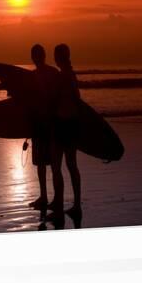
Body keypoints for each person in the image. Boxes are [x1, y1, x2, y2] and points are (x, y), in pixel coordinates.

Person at [27, 44, 63, 221]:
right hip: (43, 123)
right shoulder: (44, 74)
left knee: (50, 165)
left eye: (37, 54)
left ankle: (53, 199)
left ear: (41, 55)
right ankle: (46, 197)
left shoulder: (46, 74)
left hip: (49, 124)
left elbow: (58, 97)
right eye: (35, 55)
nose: (36, 57)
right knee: (44, 164)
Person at [53, 43, 82, 221]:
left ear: (59, 58)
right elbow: (77, 98)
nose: (56, 59)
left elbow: (64, 99)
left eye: (57, 56)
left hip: (64, 124)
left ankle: (61, 206)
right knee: (70, 165)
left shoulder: (65, 76)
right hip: (70, 124)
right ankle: (75, 206)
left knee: (58, 166)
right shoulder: (70, 75)